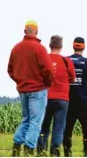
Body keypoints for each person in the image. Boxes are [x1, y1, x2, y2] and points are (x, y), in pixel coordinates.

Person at [7, 20, 54, 157]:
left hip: (23, 90)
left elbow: (10, 69)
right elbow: (49, 70)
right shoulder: (39, 48)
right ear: (36, 32)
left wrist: (20, 81)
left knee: (26, 119)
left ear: (24, 31)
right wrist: (47, 83)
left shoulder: (16, 48)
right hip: (38, 90)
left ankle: (16, 149)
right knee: (35, 122)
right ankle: (29, 150)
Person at [36, 35, 76, 157]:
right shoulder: (66, 61)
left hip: (45, 98)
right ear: (61, 46)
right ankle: (55, 152)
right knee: (58, 128)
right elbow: (72, 78)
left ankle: (42, 151)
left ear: (50, 45)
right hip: (62, 99)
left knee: (43, 128)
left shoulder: (44, 59)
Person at [63, 37, 87, 157]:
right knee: (86, 130)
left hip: (68, 101)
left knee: (67, 129)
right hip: (83, 102)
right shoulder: (86, 62)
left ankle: (67, 153)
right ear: (83, 47)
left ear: (73, 46)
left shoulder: (66, 60)